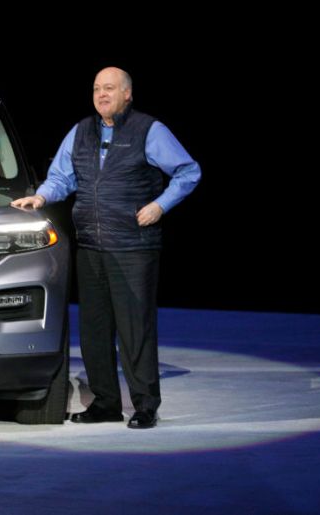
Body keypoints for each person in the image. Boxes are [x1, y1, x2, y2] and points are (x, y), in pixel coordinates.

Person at [11, 67, 200, 429]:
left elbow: (188, 171)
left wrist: (160, 205)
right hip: (91, 245)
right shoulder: (80, 131)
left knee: (135, 329)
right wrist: (41, 196)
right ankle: (106, 403)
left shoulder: (149, 130)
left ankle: (145, 405)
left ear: (127, 94)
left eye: (109, 88)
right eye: (97, 88)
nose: (101, 94)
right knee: (95, 330)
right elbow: (62, 177)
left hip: (133, 246)